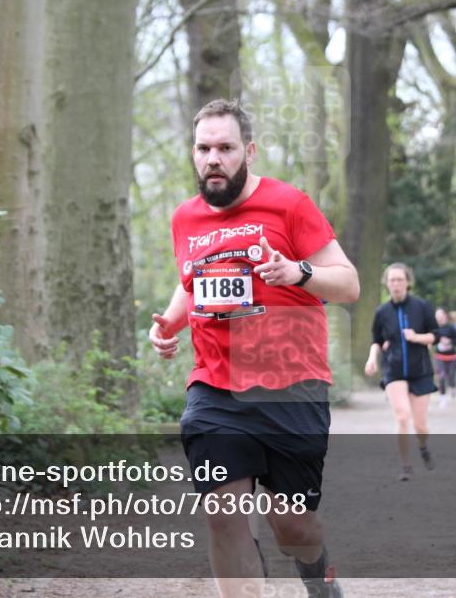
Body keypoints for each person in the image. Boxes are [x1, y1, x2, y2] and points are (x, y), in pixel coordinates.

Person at [149, 99, 358, 598]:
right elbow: (192, 282)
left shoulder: (290, 205)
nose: (213, 159)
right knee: (223, 517)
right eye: (203, 148)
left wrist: (297, 272)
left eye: (224, 148)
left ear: (249, 151)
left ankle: (317, 569)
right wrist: (170, 323)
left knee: (295, 530)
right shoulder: (185, 219)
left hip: (293, 390)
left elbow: (348, 284)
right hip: (215, 390)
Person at [364, 263, 438, 481]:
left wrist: (417, 337)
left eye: (399, 279)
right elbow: (376, 341)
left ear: (408, 282)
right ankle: (405, 465)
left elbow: (437, 335)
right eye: (392, 280)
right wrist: (372, 359)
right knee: (402, 416)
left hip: (420, 370)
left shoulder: (422, 307)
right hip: (394, 370)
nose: (395, 284)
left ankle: (423, 447)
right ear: (386, 284)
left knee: (420, 424)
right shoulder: (382, 312)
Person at [432, 308, 456, 404]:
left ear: (444, 316)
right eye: (437, 316)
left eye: (440, 316)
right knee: (441, 376)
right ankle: (442, 397)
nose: (438, 318)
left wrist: (449, 341)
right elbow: (431, 340)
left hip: (451, 356)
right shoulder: (434, 328)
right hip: (440, 356)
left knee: (451, 375)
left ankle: (452, 387)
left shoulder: (451, 328)